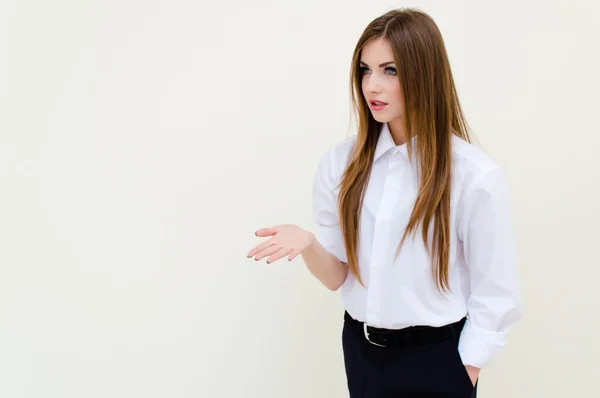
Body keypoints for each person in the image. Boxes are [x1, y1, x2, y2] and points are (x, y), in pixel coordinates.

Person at [247, 7, 523, 398]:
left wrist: (464, 372)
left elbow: (496, 291)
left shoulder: (474, 175)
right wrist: (309, 243)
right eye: (365, 69)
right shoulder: (340, 164)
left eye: (389, 70)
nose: (372, 86)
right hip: (361, 354)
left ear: (424, 73)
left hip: (437, 360)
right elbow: (337, 277)